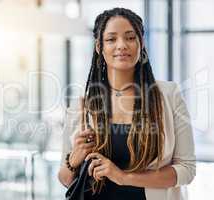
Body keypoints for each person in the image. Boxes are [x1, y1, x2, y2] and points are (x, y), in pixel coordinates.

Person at [58, 7, 196, 200]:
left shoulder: (168, 95)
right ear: (99, 47)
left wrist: (123, 177)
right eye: (111, 39)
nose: (121, 45)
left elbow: (186, 170)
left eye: (130, 37)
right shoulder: (82, 103)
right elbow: (65, 180)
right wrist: (74, 159)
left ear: (141, 43)